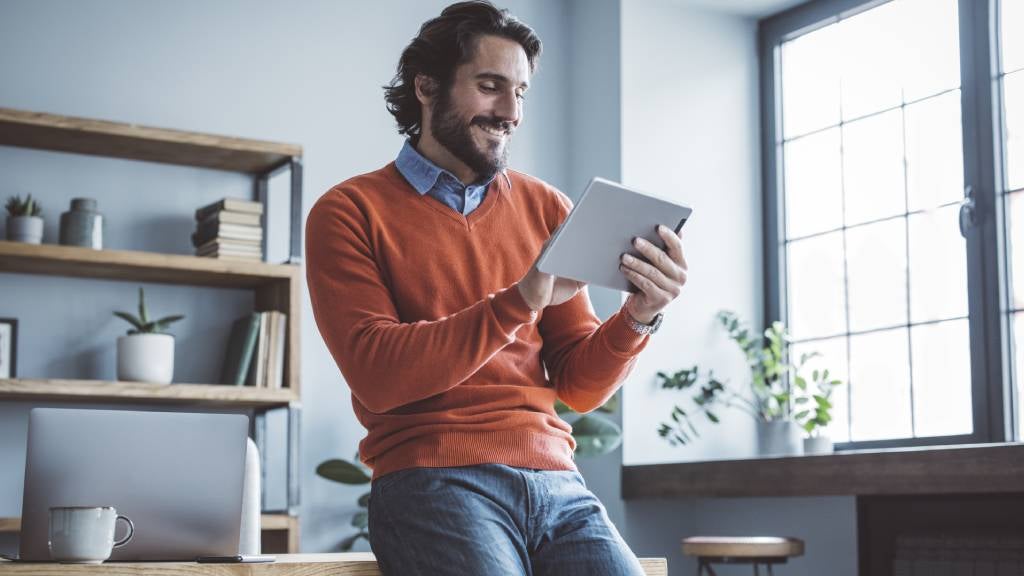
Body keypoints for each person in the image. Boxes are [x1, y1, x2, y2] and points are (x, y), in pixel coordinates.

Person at [305, 2, 687, 574]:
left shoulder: (547, 207)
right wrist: (520, 300)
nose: (510, 111)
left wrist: (638, 316)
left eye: (522, 93)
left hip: (558, 482)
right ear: (427, 87)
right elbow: (378, 375)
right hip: (431, 477)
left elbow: (578, 387)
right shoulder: (348, 211)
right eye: (490, 87)